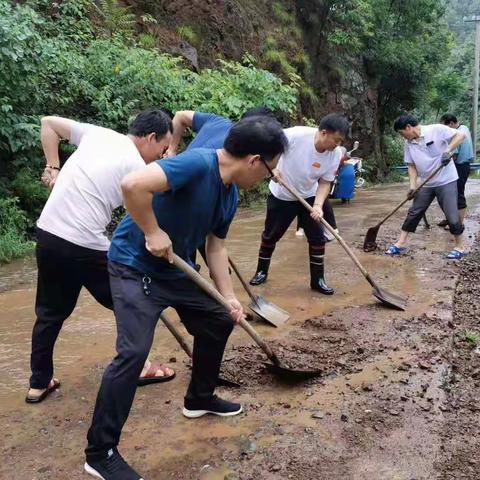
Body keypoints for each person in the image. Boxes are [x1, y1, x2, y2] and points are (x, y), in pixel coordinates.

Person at [83, 116, 288, 480]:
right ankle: (100, 453)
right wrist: (152, 230)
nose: (268, 178)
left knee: (220, 318)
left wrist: (228, 297)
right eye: (270, 169)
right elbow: (132, 185)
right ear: (255, 160)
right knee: (133, 353)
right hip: (134, 266)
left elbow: (216, 246)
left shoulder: (231, 192)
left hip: (176, 271)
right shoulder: (197, 164)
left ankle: (199, 398)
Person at [26, 109, 176, 404]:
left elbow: (48, 123)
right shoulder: (137, 168)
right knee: (132, 301)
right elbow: (149, 218)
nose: (160, 157)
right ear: (149, 138)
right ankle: (139, 367)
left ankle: (38, 383)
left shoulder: (98, 133)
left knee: (49, 314)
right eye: (161, 149)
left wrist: (53, 167)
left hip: (48, 234)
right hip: (84, 245)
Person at [249, 113, 350, 295]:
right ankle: (261, 271)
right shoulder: (295, 135)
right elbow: (269, 147)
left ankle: (318, 280)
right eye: (337, 140)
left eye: (341, 141)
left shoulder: (334, 154)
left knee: (318, 238)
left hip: (309, 196)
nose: (338, 145)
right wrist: (272, 168)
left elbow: (325, 182)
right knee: (271, 235)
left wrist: (318, 205)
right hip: (282, 194)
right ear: (324, 133)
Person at [386, 113, 466, 259]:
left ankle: (459, 246)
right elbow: (411, 166)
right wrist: (412, 186)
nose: (401, 136)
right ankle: (400, 243)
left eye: (401, 132)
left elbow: (461, 135)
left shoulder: (436, 129)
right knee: (414, 211)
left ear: (408, 127)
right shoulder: (408, 144)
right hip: (426, 183)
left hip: (446, 180)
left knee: (451, 213)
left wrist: (448, 151)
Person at [438, 114, 474, 228]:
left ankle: (458, 223)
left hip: (459, 166)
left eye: (446, 127)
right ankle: (450, 219)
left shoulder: (456, 134)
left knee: (457, 194)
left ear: (451, 124)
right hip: (463, 165)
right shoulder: (464, 128)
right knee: (449, 193)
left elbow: (453, 156)